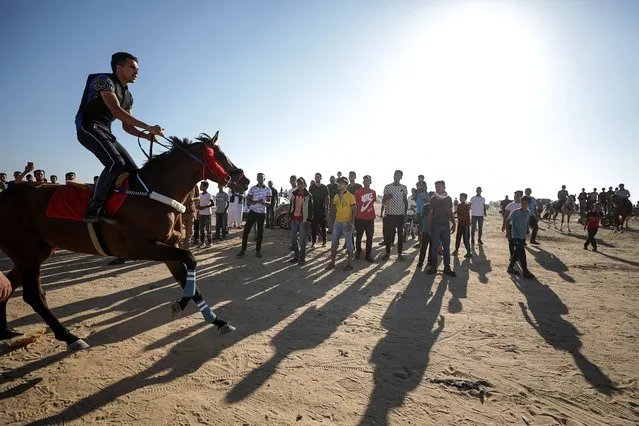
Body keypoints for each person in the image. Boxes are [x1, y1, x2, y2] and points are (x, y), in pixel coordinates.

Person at [75, 52, 164, 223]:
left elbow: (127, 126)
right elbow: (117, 111)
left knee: (132, 171)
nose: (136, 72)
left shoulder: (128, 96)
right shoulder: (104, 81)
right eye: (132, 67)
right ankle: (94, 208)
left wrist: (146, 136)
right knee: (115, 163)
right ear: (118, 67)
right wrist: (148, 127)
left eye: (137, 69)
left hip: (106, 133)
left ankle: (118, 206)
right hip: (88, 127)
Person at [326, 177, 357, 271]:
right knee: (334, 243)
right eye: (339, 183)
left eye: (342, 183)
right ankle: (332, 262)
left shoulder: (350, 196)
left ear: (346, 185)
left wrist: (351, 223)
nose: (340, 184)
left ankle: (350, 264)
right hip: (337, 223)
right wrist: (332, 221)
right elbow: (333, 208)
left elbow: (355, 210)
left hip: (347, 223)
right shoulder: (335, 196)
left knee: (349, 245)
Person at [427, 180, 456, 276]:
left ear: (444, 187)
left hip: (445, 225)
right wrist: (429, 225)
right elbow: (430, 213)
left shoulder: (448, 199)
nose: (437, 188)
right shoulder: (433, 199)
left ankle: (447, 268)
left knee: (446, 248)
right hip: (436, 224)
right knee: (434, 248)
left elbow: (450, 211)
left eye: (439, 186)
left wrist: (454, 222)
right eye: (436, 187)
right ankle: (433, 268)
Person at [238, 173, 271, 258]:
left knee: (260, 233)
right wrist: (255, 202)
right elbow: (248, 201)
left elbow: (269, 203)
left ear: (264, 179)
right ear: (257, 179)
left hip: (261, 213)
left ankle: (258, 251)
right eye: (258, 177)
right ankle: (243, 250)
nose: (260, 179)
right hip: (252, 212)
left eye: (261, 177)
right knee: (246, 231)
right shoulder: (252, 188)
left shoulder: (268, 189)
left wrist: (265, 202)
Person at [381, 170, 408, 261]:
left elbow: (405, 201)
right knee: (389, 235)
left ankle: (399, 254)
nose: (396, 176)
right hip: (390, 215)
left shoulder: (404, 187)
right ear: (393, 176)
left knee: (400, 235)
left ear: (401, 177)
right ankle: (387, 253)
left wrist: (405, 214)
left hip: (400, 215)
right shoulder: (387, 187)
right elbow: (383, 201)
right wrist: (387, 197)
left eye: (398, 175)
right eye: (395, 175)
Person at [506, 195, 535, 279]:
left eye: (525, 203)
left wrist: (527, 229)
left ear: (529, 204)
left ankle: (510, 267)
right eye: (522, 203)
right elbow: (508, 221)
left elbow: (527, 221)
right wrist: (508, 232)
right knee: (522, 253)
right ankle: (525, 271)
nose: (523, 204)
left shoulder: (528, 212)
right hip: (515, 235)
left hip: (522, 235)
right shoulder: (515, 212)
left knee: (517, 252)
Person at [288, 177, 313, 265]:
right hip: (294, 219)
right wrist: (289, 216)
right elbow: (291, 205)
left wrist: (309, 221)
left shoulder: (308, 195)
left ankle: (302, 258)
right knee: (293, 239)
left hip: (303, 220)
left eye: (301, 184)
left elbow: (310, 209)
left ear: (304, 184)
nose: (300, 185)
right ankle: (296, 256)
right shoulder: (294, 194)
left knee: (302, 240)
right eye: (298, 184)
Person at [354, 175, 377, 262]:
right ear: (363, 182)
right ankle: (358, 252)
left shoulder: (373, 192)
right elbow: (356, 204)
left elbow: (373, 202)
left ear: (370, 182)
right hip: (360, 218)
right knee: (359, 236)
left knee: (369, 237)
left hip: (370, 218)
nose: (366, 182)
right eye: (365, 180)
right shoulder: (357, 192)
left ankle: (368, 255)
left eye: (368, 180)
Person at [309, 173, 329, 247]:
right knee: (313, 227)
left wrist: (327, 208)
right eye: (316, 177)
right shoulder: (312, 187)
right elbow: (309, 198)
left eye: (318, 177)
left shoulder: (324, 187)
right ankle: (313, 242)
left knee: (323, 226)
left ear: (321, 178)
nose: (317, 178)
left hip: (322, 209)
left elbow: (327, 197)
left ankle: (324, 241)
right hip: (314, 209)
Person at [502, 190, 523, 257]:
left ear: (521, 196)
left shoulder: (523, 205)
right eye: (515, 195)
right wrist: (504, 225)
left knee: (519, 242)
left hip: (520, 227)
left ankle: (517, 255)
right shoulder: (510, 205)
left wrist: (527, 227)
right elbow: (506, 216)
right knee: (511, 241)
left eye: (517, 195)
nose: (515, 197)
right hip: (511, 226)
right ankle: (512, 255)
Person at [416, 191, 433, 268]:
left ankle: (429, 261)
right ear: (429, 198)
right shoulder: (425, 207)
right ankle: (420, 261)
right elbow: (422, 219)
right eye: (431, 197)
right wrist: (420, 229)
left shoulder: (437, 207)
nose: (432, 199)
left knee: (432, 248)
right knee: (423, 247)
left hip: (433, 231)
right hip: (425, 231)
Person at [453, 193, 472, 258]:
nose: (460, 198)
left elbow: (465, 215)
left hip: (465, 225)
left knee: (465, 239)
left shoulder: (467, 205)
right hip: (460, 224)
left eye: (462, 197)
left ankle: (469, 252)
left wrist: (456, 217)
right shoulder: (459, 205)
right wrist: (452, 214)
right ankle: (456, 250)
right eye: (460, 197)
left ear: (465, 198)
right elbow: (457, 212)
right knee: (458, 237)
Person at [181, 185, 199, 250]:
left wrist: (193, 203)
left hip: (190, 212)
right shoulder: (180, 182)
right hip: (180, 212)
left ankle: (185, 249)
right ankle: (179, 248)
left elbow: (197, 197)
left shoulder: (195, 185)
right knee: (179, 231)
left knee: (189, 232)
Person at [198, 181, 214, 248]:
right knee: (201, 229)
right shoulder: (199, 195)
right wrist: (198, 207)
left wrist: (204, 207)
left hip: (207, 214)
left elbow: (213, 204)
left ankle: (209, 243)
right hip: (201, 214)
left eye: (201, 186)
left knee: (208, 229)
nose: (200, 187)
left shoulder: (209, 195)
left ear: (206, 187)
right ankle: (202, 242)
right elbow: (198, 203)